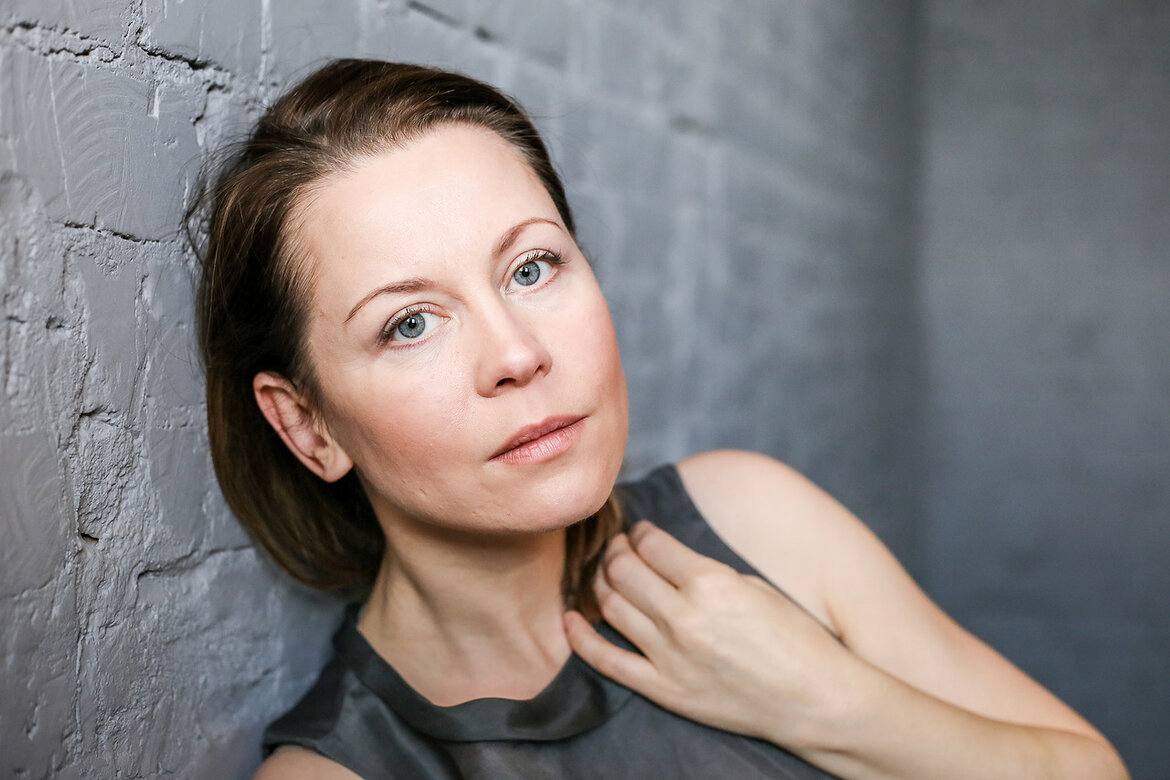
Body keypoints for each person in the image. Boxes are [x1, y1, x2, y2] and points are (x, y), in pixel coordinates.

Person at [185, 59, 1128, 779]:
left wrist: (824, 700)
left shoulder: (751, 522)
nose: (517, 353)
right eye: (410, 324)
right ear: (308, 428)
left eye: (531, 268)